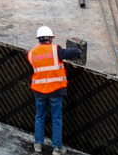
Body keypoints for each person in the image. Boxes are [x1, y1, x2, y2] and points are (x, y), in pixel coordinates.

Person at [28, 26, 83, 155]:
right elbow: (73, 53)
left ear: (39, 39)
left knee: (40, 117)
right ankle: (57, 148)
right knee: (56, 118)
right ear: (50, 38)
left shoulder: (31, 53)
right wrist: (78, 48)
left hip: (39, 91)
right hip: (55, 90)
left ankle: (38, 145)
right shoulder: (55, 50)